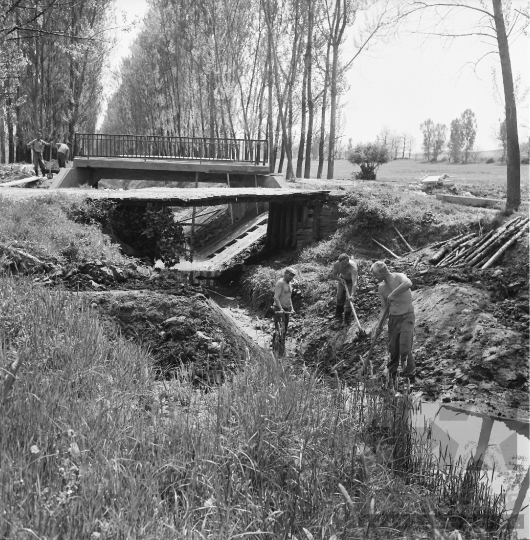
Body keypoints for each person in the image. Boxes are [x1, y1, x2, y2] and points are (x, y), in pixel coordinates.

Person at [371, 261, 416, 386]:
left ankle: (409, 376)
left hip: (407, 317)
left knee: (405, 346)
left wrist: (392, 294)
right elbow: (384, 308)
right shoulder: (381, 287)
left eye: (375, 274)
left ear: (382, 271)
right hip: (393, 319)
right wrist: (380, 325)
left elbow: (408, 283)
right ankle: (392, 375)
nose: (375, 278)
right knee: (393, 349)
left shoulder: (399, 276)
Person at [331, 253, 358, 325]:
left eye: (345, 263)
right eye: (341, 263)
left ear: (348, 260)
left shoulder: (352, 267)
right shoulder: (337, 264)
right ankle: (338, 316)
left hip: (350, 282)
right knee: (339, 297)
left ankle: (346, 319)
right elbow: (333, 275)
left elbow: (355, 282)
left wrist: (352, 295)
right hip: (342, 279)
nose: (343, 265)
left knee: (349, 300)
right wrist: (340, 279)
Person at [273, 267, 296, 336]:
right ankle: (276, 343)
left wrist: (292, 308)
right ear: (285, 273)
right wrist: (280, 308)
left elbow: (289, 298)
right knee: (279, 330)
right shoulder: (280, 283)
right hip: (278, 308)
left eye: (293, 276)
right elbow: (276, 297)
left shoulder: (290, 284)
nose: (291, 277)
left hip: (286, 309)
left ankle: (281, 345)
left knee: (285, 330)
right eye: (290, 275)